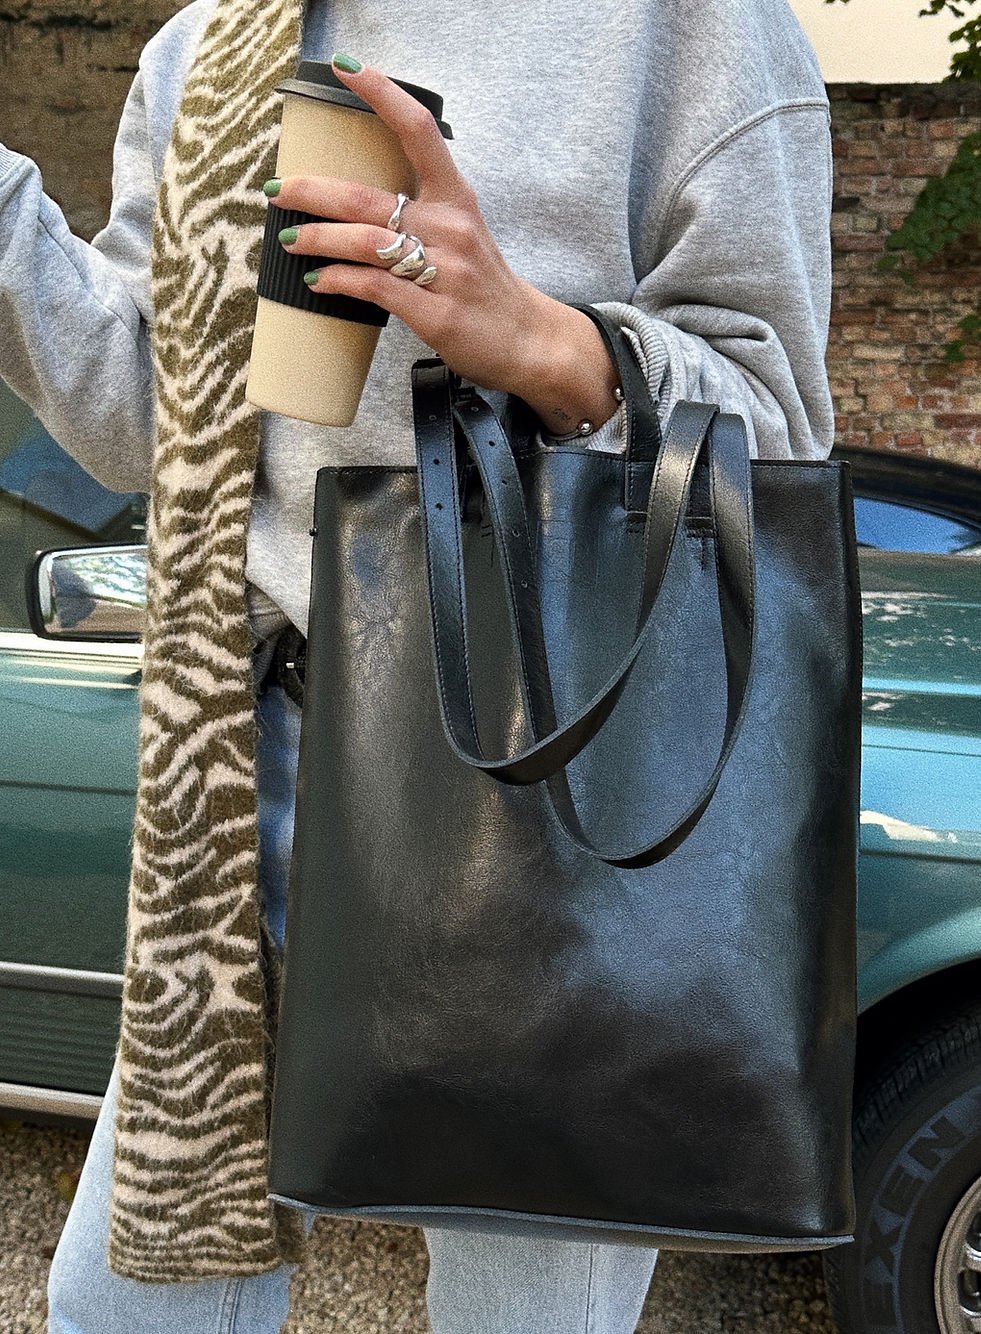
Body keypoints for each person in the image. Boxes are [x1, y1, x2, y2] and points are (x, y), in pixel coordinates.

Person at [0, 0, 835, 1327]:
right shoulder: (215, 38)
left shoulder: (693, 28)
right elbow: (153, 423)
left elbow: (778, 434)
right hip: (246, 783)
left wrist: (545, 342)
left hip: (548, 782)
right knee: (118, 1304)